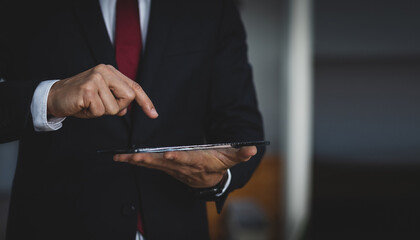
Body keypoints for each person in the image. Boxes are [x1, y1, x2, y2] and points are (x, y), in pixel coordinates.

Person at [0, 0, 265, 239]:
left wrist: (219, 177)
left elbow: (241, 124)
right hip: (52, 228)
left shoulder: (213, 8)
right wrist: (48, 97)